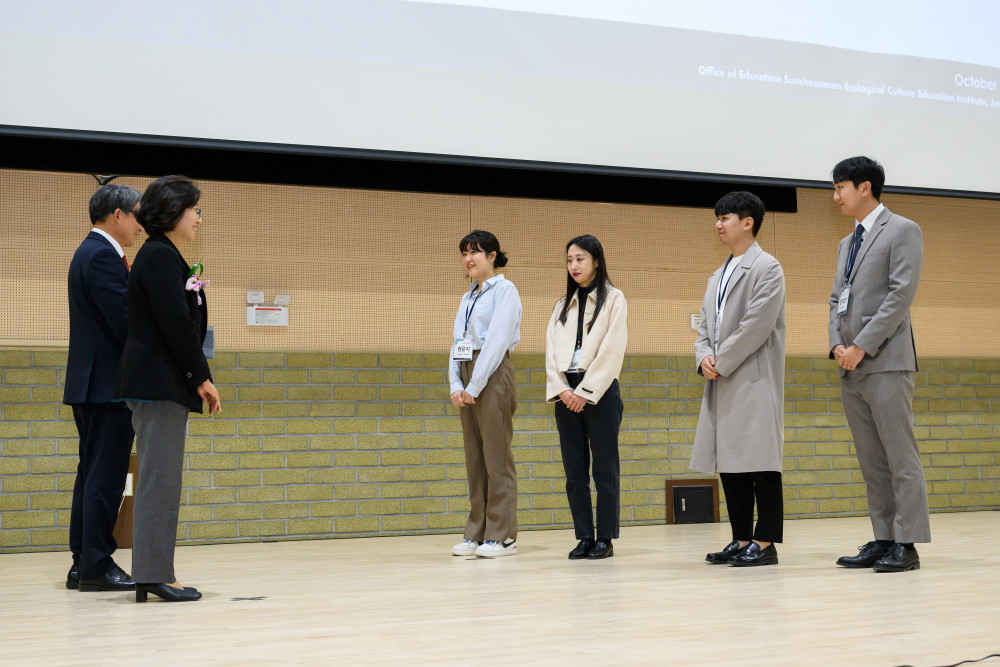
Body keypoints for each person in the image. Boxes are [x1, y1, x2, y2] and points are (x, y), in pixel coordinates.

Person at [113, 175, 221, 601]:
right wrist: (202, 378)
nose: (199, 219)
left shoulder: (164, 255)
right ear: (174, 212)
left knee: (162, 480)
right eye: (194, 210)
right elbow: (176, 326)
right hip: (158, 384)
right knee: (159, 482)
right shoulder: (159, 256)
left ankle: (154, 573)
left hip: (161, 383)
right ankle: (154, 575)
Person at [828, 156, 930, 572]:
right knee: (872, 462)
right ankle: (884, 537)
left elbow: (900, 295)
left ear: (864, 187)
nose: (835, 196)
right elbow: (836, 300)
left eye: (840, 188)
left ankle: (908, 542)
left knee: (900, 458)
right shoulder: (846, 243)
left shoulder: (903, 230)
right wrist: (838, 345)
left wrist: (862, 346)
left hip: (886, 361)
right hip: (850, 365)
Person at [690, 191, 786, 567]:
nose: (718, 224)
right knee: (731, 464)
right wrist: (703, 357)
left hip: (753, 378)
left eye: (724, 218)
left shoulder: (768, 267)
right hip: (722, 377)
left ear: (747, 223)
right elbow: (704, 326)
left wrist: (721, 360)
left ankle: (765, 543)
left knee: (761, 463)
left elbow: (756, 325)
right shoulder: (717, 275)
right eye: (717, 218)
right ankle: (741, 537)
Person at [64, 184, 143, 592]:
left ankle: (82, 561)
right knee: (106, 477)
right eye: (137, 217)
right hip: (105, 385)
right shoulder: (100, 256)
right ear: (118, 215)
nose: (140, 227)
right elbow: (125, 322)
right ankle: (96, 564)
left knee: (92, 474)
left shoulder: (90, 252)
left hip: (92, 384)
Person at [545, 235, 627, 559]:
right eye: (569, 260)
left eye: (580, 259)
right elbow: (551, 353)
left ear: (596, 261)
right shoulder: (560, 306)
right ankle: (583, 536)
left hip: (599, 391)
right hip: (566, 392)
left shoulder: (614, 299)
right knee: (574, 471)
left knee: (604, 469)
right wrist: (562, 389)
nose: (574, 265)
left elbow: (612, 350)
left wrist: (586, 391)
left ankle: (605, 537)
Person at [448, 230, 522, 558]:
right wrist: (456, 384)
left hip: (491, 373)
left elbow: (496, 342)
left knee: (496, 454)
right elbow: (457, 343)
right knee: (474, 456)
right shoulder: (468, 297)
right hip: (468, 373)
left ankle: (502, 536)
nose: (468, 259)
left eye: (474, 252)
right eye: (464, 253)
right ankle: (477, 532)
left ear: (492, 256)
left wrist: (474, 385)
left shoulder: (505, 290)